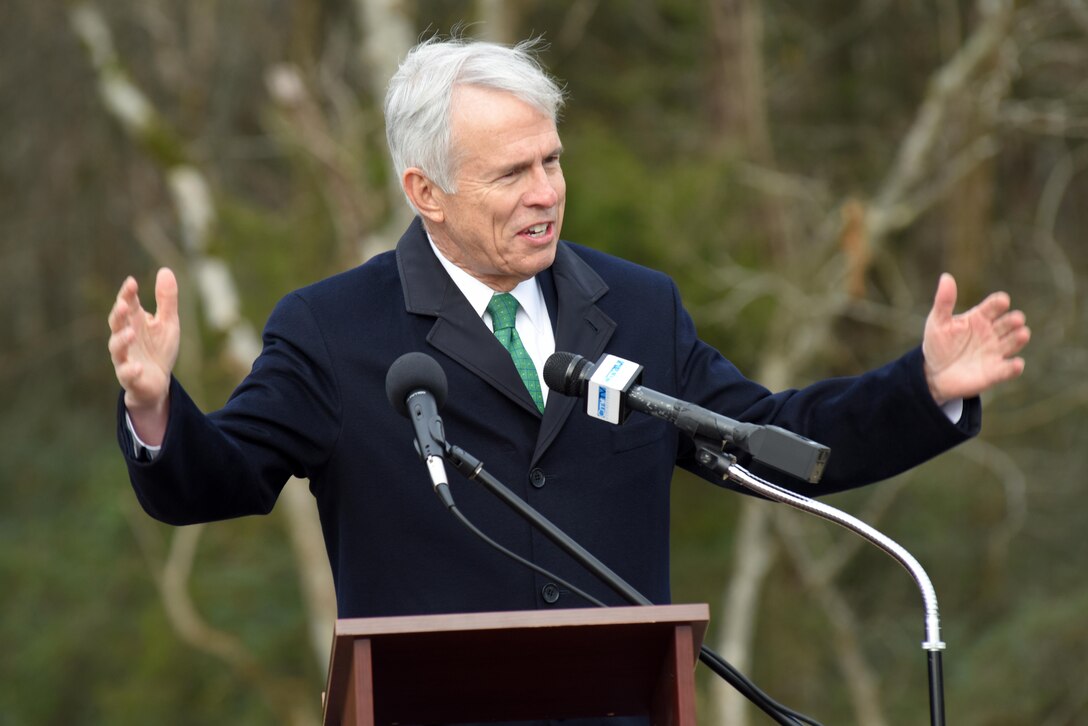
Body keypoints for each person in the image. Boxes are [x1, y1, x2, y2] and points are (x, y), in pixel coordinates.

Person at [108, 38, 1029, 623]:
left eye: (552, 160)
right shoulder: (331, 328)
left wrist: (925, 390)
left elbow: (764, 442)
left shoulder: (637, 305)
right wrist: (155, 408)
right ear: (425, 192)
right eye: (512, 173)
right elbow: (218, 480)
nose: (547, 192)